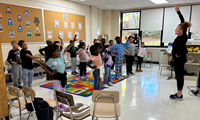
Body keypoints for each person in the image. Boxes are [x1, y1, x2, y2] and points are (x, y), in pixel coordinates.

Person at [42, 35, 77, 111]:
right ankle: (56, 105)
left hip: (63, 76)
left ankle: (61, 104)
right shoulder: (50, 60)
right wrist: (51, 72)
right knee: (57, 92)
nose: (59, 52)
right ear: (53, 52)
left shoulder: (60, 56)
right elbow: (43, 67)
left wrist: (73, 41)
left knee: (62, 91)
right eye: (57, 51)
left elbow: (67, 47)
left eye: (59, 50)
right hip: (56, 77)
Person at [170, 5, 192, 100]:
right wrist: (178, 12)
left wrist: (177, 54)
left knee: (179, 76)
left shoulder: (183, 38)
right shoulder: (181, 36)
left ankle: (179, 95)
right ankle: (179, 93)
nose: (175, 29)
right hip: (178, 60)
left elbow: (184, 50)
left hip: (179, 60)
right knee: (178, 76)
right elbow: (182, 22)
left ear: (181, 31)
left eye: (177, 28)